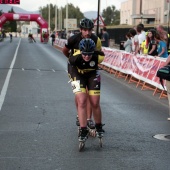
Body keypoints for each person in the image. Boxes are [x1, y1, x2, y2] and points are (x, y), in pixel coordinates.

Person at [62, 18, 102, 132]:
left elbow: (98, 53)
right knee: (81, 97)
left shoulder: (96, 40)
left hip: (90, 69)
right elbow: (65, 51)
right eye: (85, 30)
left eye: (89, 30)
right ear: (81, 30)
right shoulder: (73, 39)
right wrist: (73, 60)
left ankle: (88, 119)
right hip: (75, 69)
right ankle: (80, 115)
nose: (87, 33)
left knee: (91, 94)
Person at [68, 38, 105, 142]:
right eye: (85, 54)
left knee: (95, 102)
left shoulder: (99, 57)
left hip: (92, 74)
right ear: (81, 52)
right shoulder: (75, 58)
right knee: (82, 100)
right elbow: (70, 70)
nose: (87, 56)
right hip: (77, 74)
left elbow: (101, 53)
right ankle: (83, 129)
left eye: (89, 54)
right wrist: (73, 81)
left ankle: (99, 126)